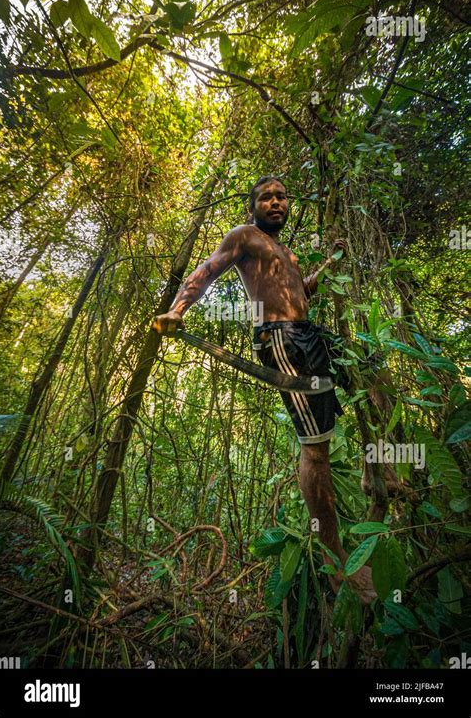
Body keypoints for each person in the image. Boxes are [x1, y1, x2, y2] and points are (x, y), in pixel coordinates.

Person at [153, 176, 377, 604]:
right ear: (252, 206)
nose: (275, 202)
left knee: (369, 372)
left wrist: (329, 265)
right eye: (265, 197)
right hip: (281, 339)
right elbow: (208, 270)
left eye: (280, 196)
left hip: (310, 331)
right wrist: (176, 309)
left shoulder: (286, 253)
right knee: (316, 448)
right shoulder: (245, 238)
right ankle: (337, 565)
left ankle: (375, 472)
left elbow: (301, 292)